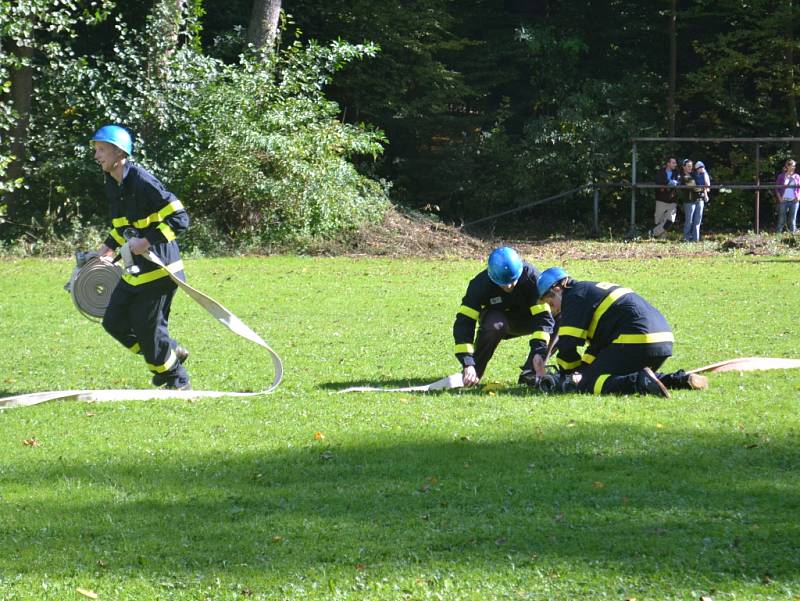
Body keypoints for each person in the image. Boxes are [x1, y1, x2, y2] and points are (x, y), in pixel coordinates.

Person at [91, 124, 191, 390]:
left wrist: (146, 241)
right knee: (113, 322)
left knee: (149, 331)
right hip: (136, 271)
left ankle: (177, 379)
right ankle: (167, 353)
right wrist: (106, 250)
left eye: (101, 150)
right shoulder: (112, 182)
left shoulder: (143, 181)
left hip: (161, 270)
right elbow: (124, 225)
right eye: (96, 150)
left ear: (119, 152)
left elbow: (180, 219)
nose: (96, 156)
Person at [535, 267, 708, 398]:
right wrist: (583, 369)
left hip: (637, 339)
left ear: (558, 289)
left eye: (551, 304)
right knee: (605, 373)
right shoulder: (588, 291)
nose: (553, 310)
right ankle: (682, 380)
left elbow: (567, 346)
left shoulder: (573, 298)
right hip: (662, 341)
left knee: (588, 383)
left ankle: (638, 382)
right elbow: (598, 348)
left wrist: (569, 375)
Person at [453, 247, 555, 387]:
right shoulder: (479, 285)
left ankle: (530, 372)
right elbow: (464, 323)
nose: (509, 286)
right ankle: (473, 373)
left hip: (527, 319)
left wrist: (539, 350)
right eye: (503, 283)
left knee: (560, 319)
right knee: (495, 324)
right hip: (497, 321)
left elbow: (544, 319)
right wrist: (467, 362)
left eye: (513, 280)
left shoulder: (532, 279)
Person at [650, 157, 679, 238]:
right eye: (673, 163)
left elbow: (679, 181)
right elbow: (658, 181)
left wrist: (674, 182)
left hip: (672, 199)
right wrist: (669, 182)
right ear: (668, 163)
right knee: (659, 220)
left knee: (670, 220)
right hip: (661, 199)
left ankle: (652, 232)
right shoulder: (660, 171)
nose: (675, 164)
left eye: (675, 163)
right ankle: (661, 238)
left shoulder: (676, 172)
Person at [678, 158, 705, 242]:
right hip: (689, 202)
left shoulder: (694, 175)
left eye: (691, 166)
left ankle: (695, 240)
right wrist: (703, 188)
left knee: (697, 222)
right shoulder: (683, 177)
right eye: (688, 166)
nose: (690, 168)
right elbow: (695, 188)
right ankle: (686, 239)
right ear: (683, 167)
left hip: (699, 200)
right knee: (688, 222)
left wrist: (702, 187)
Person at [775, 159, 800, 234]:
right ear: (788, 166)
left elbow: (799, 188)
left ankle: (793, 238)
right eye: (792, 166)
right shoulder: (781, 176)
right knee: (781, 220)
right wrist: (779, 198)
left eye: (794, 166)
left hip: (794, 201)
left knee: (792, 220)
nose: (794, 167)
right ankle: (778, 236)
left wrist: (798, 197)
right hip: (783, 200)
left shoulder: (797, 176)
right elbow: (777, 188)